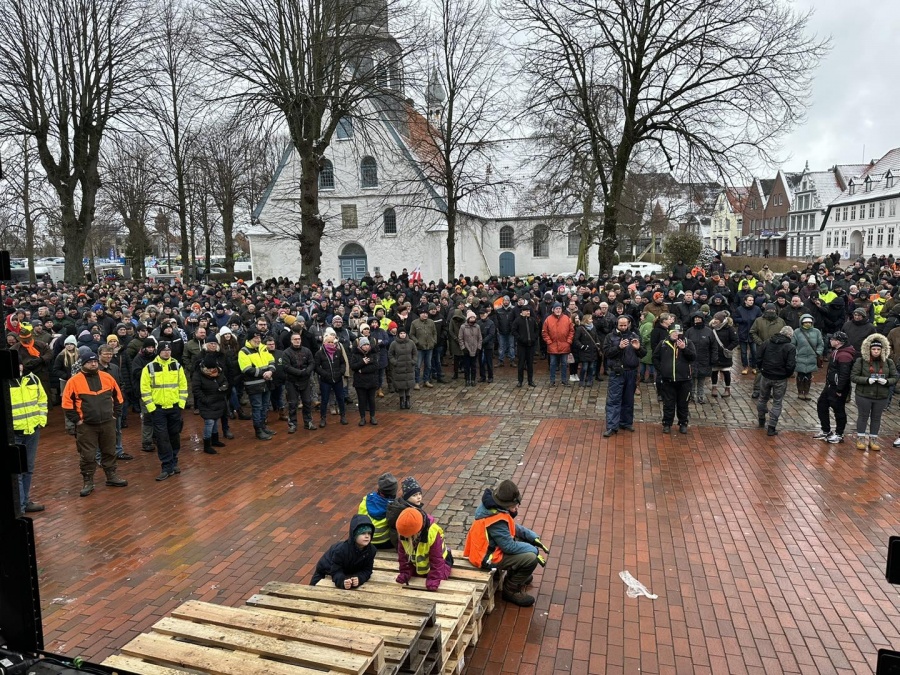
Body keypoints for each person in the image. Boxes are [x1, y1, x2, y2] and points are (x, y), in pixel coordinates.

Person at [463, 479, 548, 607]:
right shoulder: (495, 519)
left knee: (525, 545)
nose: (517, 508)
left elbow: (510, 526)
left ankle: (517, 575)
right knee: (530, 559)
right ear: (505, 505)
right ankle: (511, 589)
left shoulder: (494, 508)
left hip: (490, 549)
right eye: (514, 506)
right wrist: (533, 550)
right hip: (486, 557)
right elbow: (509, 547)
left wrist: (532, 537)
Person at [61, 351, 128, 497]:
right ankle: (88, 481)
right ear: (83, 364)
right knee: (87, 455)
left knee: (109, 450)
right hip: (86, 425)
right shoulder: (74, 381)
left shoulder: (107, 377)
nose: (93, 364)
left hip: (107, 422)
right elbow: (67, 404)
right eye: (90, 362)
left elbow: (118, 397)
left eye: (95, 362)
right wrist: (78, 420)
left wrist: (115, 415)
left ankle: (111, 476)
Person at [141, 340, 189, 480]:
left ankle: (174, 461)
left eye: (169, 350)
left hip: (174, 408)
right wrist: (152, 408)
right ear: (159, 351)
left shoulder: (177, 365)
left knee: (174, 435)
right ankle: (166, 465)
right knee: (162, 438)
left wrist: (180, 405)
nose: (167, 352)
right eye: (164, 350)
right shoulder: (149, 367)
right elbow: (145, 389)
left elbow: (183, 386)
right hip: (158, 409)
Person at [10, 364, 48, 514]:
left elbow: (42, 399)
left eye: (19, 363)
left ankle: (24, 502)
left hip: (32, 430)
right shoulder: (6, 382)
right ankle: (19, 506)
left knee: (28, 468)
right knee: (16, 471)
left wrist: (41, 420)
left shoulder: (32, 379)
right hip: (13, 433)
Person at [850, 334, 897, 451]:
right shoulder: (861, 361)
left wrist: (886, 381)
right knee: (863, 416)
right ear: (869, 349)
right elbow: (854, 376)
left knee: (876, 417)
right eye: (873, 349)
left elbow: (895, 377)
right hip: (864, 395)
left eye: (878, 349)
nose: (876, 351)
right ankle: (861, 438)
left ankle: (873, 439)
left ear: (882, 350)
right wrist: (866, 380)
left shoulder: (889, 362)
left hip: (881, 395)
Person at [602, 315, 644, 437]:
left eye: (625, 325)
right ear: (617, 325)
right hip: (617, 372)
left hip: (631, 372)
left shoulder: (634, 335)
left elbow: (643, 353)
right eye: (621, 325)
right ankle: (611, 426)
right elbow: (607, 353)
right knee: (614, 399)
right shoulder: (610, 337)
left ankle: (626, 422)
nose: (623, 327)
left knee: (628, 399)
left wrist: (638, 348)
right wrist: (619, 348)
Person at [310, 515, 376, 589]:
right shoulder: (341, 550)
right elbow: (336, 571)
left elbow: (367, 570)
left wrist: (360, 578)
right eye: (363, 533)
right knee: (313, 590)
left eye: (369, 533)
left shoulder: (371, 550)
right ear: (354, 535)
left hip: (348, 571)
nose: (367, 536)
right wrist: (342, 581)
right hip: (326, 570)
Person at [395, 507, 454, 591]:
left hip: (442, 562)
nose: (404, 538)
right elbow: (403, 556)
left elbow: (437, 560)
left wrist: (434, 579)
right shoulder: (403, 533)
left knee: (440, 579)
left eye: (408, 536)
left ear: (416, 532)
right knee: (415, 584)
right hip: (420, 566)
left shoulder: (432, 533)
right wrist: (405, 572)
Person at [814, 331, 856, 445]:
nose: (830, 341)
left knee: (838, 410)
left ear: (838, 342)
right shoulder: (837, 351)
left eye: (832, 339)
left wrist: (839, 389)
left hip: (837, 387)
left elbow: (844, 374)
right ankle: (826, 430)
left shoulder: (844, 355)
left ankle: (839, 434)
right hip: (830, 385)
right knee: (821, 404)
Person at [653, 324, 696, 434]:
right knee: (668, 403)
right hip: (668, 380)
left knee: (683, 404)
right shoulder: (663, 343)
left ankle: (683, 423)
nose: (676, 335)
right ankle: (667, 424)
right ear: (669, 333)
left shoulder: (688, 343)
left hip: (684, 380)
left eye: (678, 333)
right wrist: (661, 370)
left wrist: (684, 349)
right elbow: (655, 357)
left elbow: (693, 357)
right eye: (674, 333)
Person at [756, 326, 797, 436]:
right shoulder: (790, 347)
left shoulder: (767, 342)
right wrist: (787, 374)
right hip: (780, 378)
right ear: (790, 335)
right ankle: (771, 427)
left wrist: (762, 369)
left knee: (762, 398)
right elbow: (791, 364)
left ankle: (761, 420)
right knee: (777, 402)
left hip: (766, 374)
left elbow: (758, 357)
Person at [237, 329, 277, 439]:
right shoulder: (243, 352)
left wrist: (270, 371)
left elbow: (272, 361)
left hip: (266, 383)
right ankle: (258, 430)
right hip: (254, 385)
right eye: (255, 338)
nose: (258, 340)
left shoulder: (263, 348)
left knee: (265, 407)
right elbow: (246, 369)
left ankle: (263, 427)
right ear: (250, 339)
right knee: (257, 408)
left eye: (259, 338)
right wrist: (264, 373)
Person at [193, 354, 230, 454]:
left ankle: (215, 440)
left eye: (213, 368)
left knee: (216, 421)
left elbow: (225, 381)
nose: (211, 370)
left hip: (218, 400)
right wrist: (205, 400)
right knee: (209, 422)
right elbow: (196, 389)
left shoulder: (219, 371)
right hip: (207, 403)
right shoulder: (198, 374)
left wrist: (224, 387)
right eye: (210, 368)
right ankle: (207, 444)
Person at [750, 304, 786, 399]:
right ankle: (757, 389)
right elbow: (752, 332)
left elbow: (784, 334)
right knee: (759, 369)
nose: (771, 312)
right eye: (769, 310)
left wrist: (780, 343)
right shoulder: (758, 321)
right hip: (762, 348)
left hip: (777, 349)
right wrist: (760, 343)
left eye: (773, 310)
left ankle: (768, 390)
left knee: (773, 370)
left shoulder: (781, 321)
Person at [283, 330, 316, 432]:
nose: (297, 341)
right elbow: (286, 367)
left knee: (307, 402)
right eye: (295, 339)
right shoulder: (286, 352)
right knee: (292, 403)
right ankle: (292, 424)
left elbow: (312, 362)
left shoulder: (307, 350)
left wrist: (307, 371)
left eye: (299, 339)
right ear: (291, 340)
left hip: (305, 380)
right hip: (292, 381)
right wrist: (300, 372)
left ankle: (308, 422)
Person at [315, 331, 349, 426]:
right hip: (325, 380)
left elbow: (343, 363)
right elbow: (316, 366)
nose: (331, 344)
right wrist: (324, 374)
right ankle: (323, 418)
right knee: (324, 400)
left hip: (337, 379)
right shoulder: (319, 353)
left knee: (340, 398)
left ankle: (343, 416)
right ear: (324, 343)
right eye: (328, 342)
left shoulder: (338, 351)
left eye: (332, 342)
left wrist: (341, 372)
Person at [357, 473, 397, 550]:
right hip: (384, 542)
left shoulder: (365, 500)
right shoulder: (394, 506)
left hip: (367, 540)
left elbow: (359, 519)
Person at [685, 312, 717, 404]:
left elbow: (714, 346)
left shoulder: (708, 331)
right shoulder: (689, 331)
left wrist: (714, 358)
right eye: (695, 318)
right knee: (691, 379)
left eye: (699, 318)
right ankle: (691, 396)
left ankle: (700, 396)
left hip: (704, 359)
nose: (697, 320)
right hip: (692, 359)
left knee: (701, 380)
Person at [386, 476, 427, 547]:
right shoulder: (406, 510)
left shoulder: (407, 505)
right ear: (407, 497)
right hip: (403, 541)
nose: (419, 497)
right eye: (414, 495)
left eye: (420, 494)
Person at [792, 314, 824, 401]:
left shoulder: (816, 332)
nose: (807, 324)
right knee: (800, 375)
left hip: (812, 357)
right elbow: (792, 345)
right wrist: (796, 353)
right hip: (800, 357)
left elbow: (820, 344)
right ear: (802, 322)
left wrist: (818, 353)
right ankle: (800, 392)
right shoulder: (797, 332)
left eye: (809, 322)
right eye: (805, 322)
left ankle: (806, 392)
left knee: (809, 375)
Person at [542, 302, 574, 387]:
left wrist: (568, 341)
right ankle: (552, 381)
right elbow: (544, 332)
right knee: (552, 364)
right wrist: (549, 342)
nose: (558, 310)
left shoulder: (567, 318)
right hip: (552, 346)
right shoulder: (548, 319)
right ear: (553, 310)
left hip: (564, 346)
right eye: (556, 309)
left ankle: (564, 380)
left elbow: (571, 331)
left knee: (564, 364)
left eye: (559, 308)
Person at [351, 336, 380, 426]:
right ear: (360, 346)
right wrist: (363, 362)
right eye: (364, 345)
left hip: (372, 380)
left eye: (368, 344)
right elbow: (353, 367)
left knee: (371, 399)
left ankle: (372, 416)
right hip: (360, 382)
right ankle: (362, 417)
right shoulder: (355, 355)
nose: (367, 346)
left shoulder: (373, 354)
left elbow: (375, 366)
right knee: (361, 400)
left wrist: (362, 370)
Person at [708, 311, 738, 398]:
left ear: (721, 320)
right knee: (714, 371)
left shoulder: (729, 329)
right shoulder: (711, 328)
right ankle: (714, 388)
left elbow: (735, 340)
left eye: (717, 319)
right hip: (714, 353)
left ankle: (727, 389)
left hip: (725, 354)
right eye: (714, 319)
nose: (714, 321)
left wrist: (728, 348)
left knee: (726, 372)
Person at [388, 328, 417, 409]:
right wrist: (395, 362)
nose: (403, 335)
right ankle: (401, 400)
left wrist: (413, 361)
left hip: (409, 367)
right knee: (400, 384)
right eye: (401, 333)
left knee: (408, 383)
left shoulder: (411, 342)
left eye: (404, 333)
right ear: (398, 334)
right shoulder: (394, 343)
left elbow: (415, 353)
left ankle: (408, 399)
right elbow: (390, 354)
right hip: (398, 368)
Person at [512, 303, 539, 387]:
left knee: (530, 364)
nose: (528, 312)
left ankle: (530, 381)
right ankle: (520, 381)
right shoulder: (517, 320)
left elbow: (537, 330)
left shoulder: (532, 320)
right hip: (521, 345)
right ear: (522, 312)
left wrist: (534, 338)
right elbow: (514, 331)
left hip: (531, 345)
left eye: (529, 311)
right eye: (526, 311)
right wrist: (520, 338)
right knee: (521, 364)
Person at [410, 307, 437, 389]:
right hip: (419, 348)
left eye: (426, 313)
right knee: (417, 366)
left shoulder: (431, 322)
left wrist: (434, 341)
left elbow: (434, 333)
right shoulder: (414, 323)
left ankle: (426, 380)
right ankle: (417, 382)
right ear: (420, 314)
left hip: (429, 347)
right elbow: (411, 334)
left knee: (428, 365)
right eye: (423, 313)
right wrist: (417, 342)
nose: (425, 315)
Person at [573, 312, 601, 387]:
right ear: (586, 320)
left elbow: (596, 337)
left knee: (591, 367)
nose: (592, 320)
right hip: (584, 351)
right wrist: (581, 346)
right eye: (590, 319)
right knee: (584, 367)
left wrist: (598, 343)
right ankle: (582, 380)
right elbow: (576, 340)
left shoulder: (593, 327)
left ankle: (589, 380)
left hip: (592, 350)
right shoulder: (580, 329)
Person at [458, 310, 482, 387]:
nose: (472, 319)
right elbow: (460, 338)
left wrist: (479, 347)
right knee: (467, 366)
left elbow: (480, 338)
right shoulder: (463, 327)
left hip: (475, 349)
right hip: (466, 349)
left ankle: (473, 379)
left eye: (473, 317)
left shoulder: (477, 327)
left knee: (474, 366)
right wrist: (463, 348)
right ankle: (467, 379)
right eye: (471, 317)